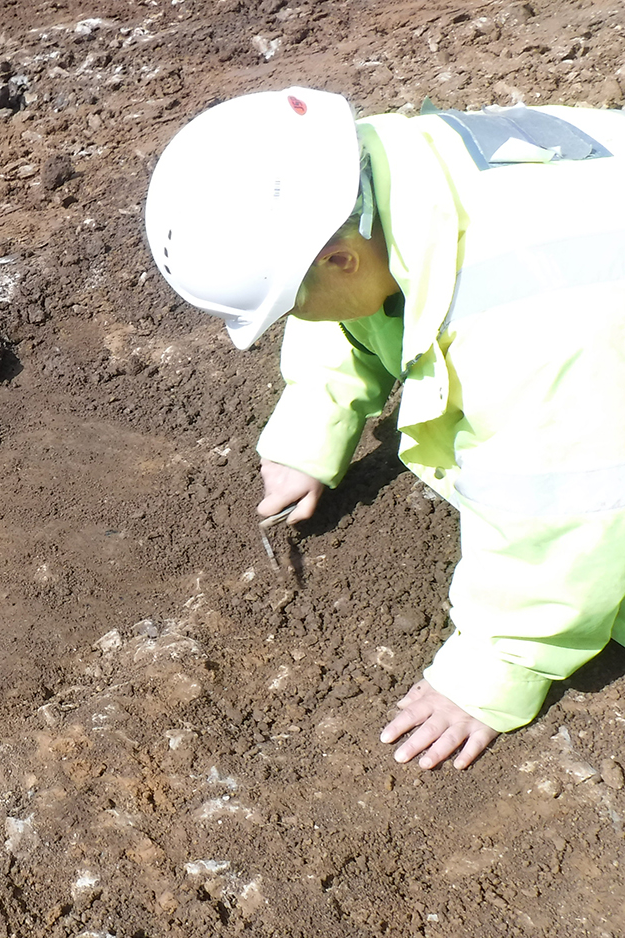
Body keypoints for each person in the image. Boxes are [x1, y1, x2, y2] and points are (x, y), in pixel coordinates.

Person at [144, 86, 625, 770]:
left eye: (291, 307)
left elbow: (568, 512)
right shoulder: (382, 171)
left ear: (337, 261)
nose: (298, 321)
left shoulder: (539, 323)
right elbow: (369, 294)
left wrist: (492, 669)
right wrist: (313, 424)